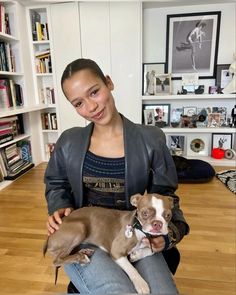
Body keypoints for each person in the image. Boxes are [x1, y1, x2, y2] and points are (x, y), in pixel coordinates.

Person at [44, 58, 189, 294]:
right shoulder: (69, 141)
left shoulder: (151, 139)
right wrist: (59, 206)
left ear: (109, 83)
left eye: (94, 92)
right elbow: (56, 183)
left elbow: (166, 195)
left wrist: (171, 234)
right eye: (79, 103)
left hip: (138, 235)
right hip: (89, 235)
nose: (91, 107)